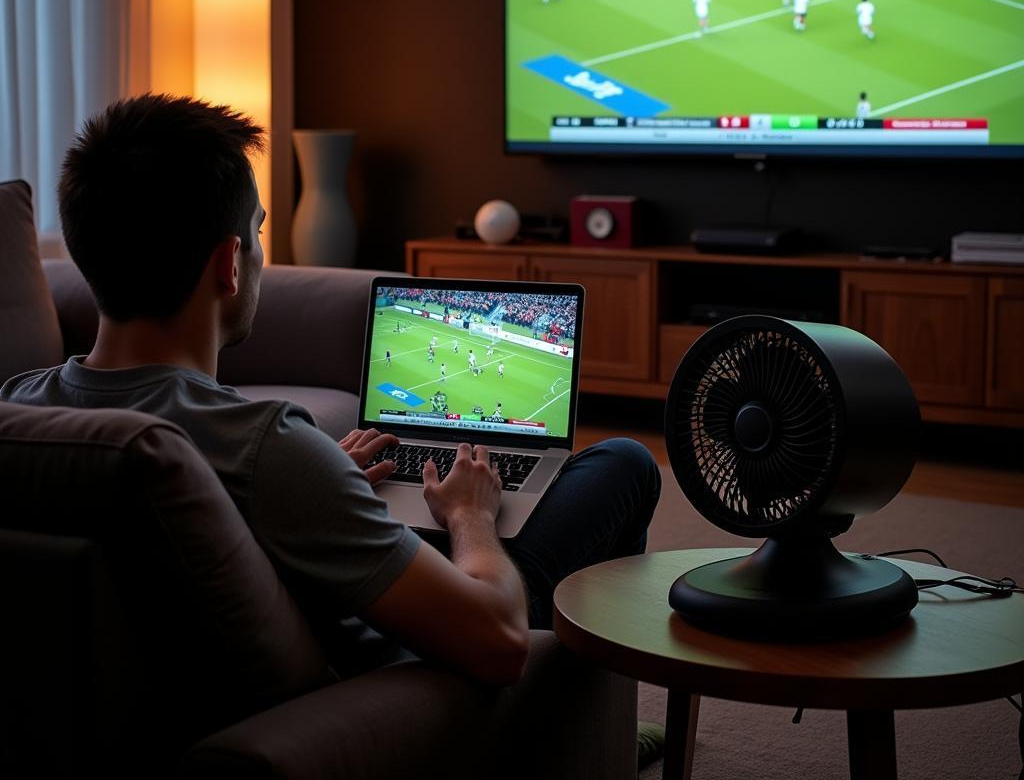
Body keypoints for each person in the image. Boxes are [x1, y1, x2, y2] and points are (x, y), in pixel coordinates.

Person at [0, 93, 662, 709]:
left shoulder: (21, 410)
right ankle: (588, 733)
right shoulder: (267, 449)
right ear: (230, 264)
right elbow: (498, 641)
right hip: (397, 701)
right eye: (258, 233)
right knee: (621, 466)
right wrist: (470, 518)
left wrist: (326, 473)